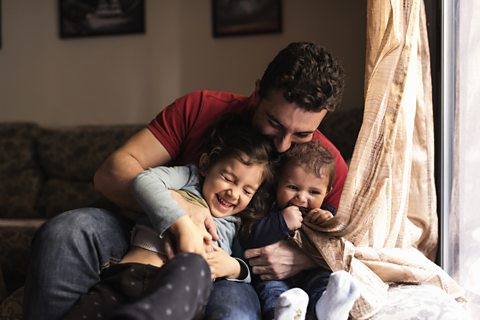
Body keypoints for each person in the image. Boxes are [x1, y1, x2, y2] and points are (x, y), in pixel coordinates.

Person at [24, 41, 348, 320]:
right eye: (274, 123)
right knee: (65, 231)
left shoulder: (322, 163)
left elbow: (354, 240)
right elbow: (112, 174)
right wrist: (181, 209)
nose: (283, 145)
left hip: (225, 265)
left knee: (237, 313)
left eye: (303, 133)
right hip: (145, 233)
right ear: (257, 93)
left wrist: (304, 257)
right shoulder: (201, 108)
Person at [63, 118, 276, 320]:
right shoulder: (189, 179)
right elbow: (144, 180)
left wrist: (233, 267)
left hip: (186, 286)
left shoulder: (236, 223)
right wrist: (182, 224)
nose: (234, 193)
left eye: (247, 191)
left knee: (194, 265)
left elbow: (247, 267)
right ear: (205, 165)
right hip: (129, 274)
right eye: (228, 178)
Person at [241, 141, 360, 320]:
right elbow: (248, 237)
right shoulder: (266, 207)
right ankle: (285, 314)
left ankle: (329, 308)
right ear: (277, 183)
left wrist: (327, 225)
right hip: (273, 276)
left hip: (310, 273)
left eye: (314, 192)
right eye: (293, 188)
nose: (302, 198)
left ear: (327, 191)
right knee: (271, 289)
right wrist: (281, 221)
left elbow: (340, 245)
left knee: (323, 279)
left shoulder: (324, 214)